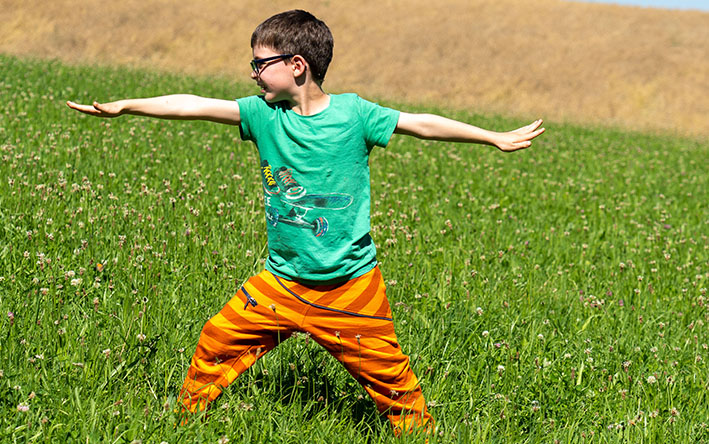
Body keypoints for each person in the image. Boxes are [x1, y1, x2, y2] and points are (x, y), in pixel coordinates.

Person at [67, 9, 544, 436]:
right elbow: (191, 104)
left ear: (298, 65)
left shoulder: (356, 115)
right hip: (281, 281)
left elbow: (422, 122)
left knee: (394, 382)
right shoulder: (261, 114)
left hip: (349, 285)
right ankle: (182, 422)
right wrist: (128, 105)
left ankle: (421, 435)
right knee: (216, 339)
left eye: (261, 63)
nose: (253, 74)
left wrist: (492, 137)